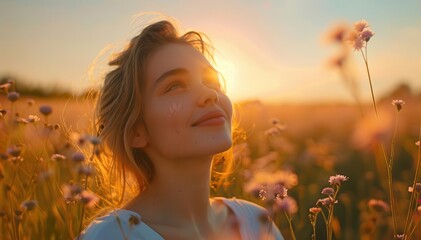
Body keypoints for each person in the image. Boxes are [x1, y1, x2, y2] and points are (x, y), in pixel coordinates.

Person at [80, 18, 283, 240]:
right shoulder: (113, 236)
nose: (210, 94)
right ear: (136, 131)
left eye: (212, 81)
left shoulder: (258, 223)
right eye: (175, 86)